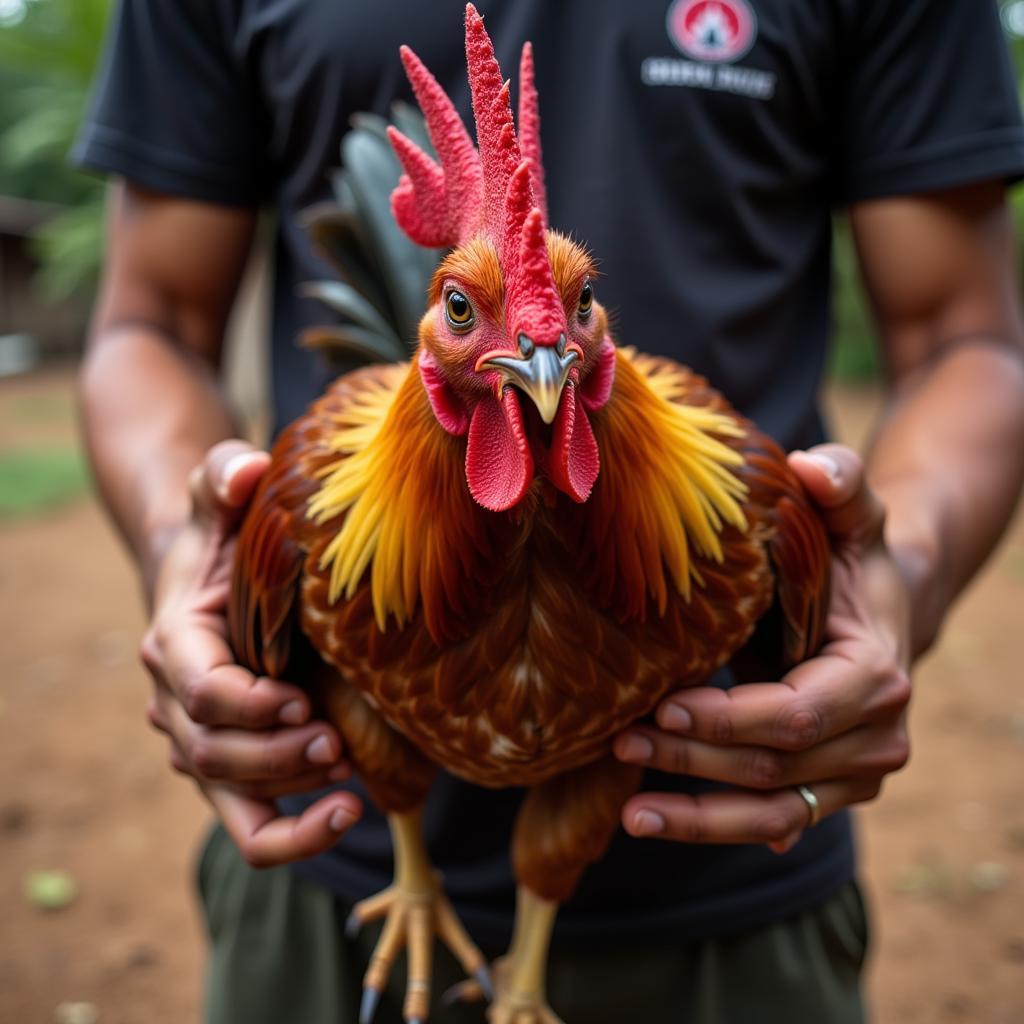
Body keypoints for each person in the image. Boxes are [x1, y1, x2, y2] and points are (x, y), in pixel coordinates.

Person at [74, 1, 1024, 1021]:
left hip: (733, 878)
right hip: (321, 874)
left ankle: (523, 963)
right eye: (468, 317)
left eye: (571, 317)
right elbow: (153, 319)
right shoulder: (306, 520)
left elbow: (961, 335)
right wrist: (187, 554)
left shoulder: (751, 523)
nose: (540, 355)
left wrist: (897, 584)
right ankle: (413, 870)